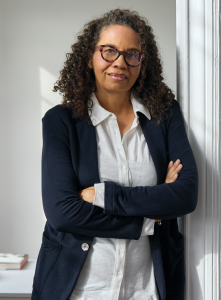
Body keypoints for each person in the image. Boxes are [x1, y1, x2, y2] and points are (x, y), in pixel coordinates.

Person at [31, 9, 198, 300]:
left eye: (131, 54)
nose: (120, 62)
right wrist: (152, 217)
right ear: (89, 56)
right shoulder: (60, 121)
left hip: (146, 290)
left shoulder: (164, 116)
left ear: (142, 63)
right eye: (109, 51)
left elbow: (186, 194)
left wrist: (105, 197)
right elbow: (63, 213)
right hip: (77, 291)